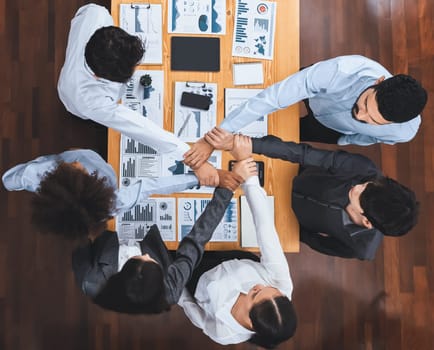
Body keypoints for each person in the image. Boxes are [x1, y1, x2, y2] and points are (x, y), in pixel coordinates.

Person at [57, 3, 217, 186]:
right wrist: (192, 159)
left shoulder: (96, 13)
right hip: (74, 103)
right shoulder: (89, 100)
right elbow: (141, 128)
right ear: (99, 76)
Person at [201, 128, 419, 260]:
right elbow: (303, 154)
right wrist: (247, 145)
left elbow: (320, 244)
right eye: (369, 185)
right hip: (290, 175)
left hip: (284, 216)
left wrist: (292, 231)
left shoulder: (361, 248)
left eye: (361, 195)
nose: (358, 186)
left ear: (367, 222)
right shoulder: (364, 170)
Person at [71, 159, 257, 313]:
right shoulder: (169, 292)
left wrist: (87, 198)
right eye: (151, 261)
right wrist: (226, 189)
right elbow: (196, 240)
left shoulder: (90, 280)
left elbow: (79, 233)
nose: (146, 255)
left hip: (109, 224)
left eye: (141, 259)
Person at [183, 55, 427, 168]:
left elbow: (368, 138)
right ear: (378, 81)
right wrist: (214, 137)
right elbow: (272, 98)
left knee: (283, 136)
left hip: (332, 129)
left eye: (373, 120)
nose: (361, 116)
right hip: (318, 94)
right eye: (364, 104)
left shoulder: (403, 132)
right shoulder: (340, 70)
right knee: (278, 86)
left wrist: (345, 137)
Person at [178, 136, 296, 348]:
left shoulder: (224, 333)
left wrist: (176, 279)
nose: (260, 285)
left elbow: (192, 310)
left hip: (195, 276)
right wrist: (248, 179)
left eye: (256, 293)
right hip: (231, 256)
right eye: (274, 290)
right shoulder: (282, 285)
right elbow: (265, 229)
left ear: (250, 322)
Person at [2, 149, 242, 239]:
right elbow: (150, 186)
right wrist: (199, 179)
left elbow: (10, 179)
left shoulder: (36, 174)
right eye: (78, 171)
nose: (76, 163)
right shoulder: (112, 203)